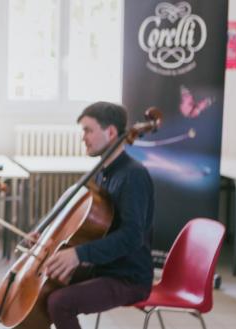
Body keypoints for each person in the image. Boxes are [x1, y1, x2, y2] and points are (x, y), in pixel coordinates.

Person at [44, 101, 155, 329]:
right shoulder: (101, 173)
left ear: (111, 132)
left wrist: (79, 254)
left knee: (59, 303)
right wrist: (48, 238)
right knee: (47, 280)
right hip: (104, 266)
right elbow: (84, 226)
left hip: (128, 276)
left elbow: (132, 236)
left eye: (88, 130)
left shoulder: (133, 176)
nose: (83, 137)